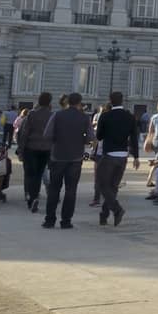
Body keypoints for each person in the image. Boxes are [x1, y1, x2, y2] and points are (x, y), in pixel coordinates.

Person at [43, 93, 94, 230]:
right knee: (71, 190)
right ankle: (66, 221)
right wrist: (81, 139)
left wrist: (57, 140)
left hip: (58, 156)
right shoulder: (84, 117)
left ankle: (49, 220)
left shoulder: (57, 115)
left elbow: (47, 134)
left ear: (68, 102)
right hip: (76, 158)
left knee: (54, 189)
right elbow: (90, 138)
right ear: (79, 103)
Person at [94, 91, 140, 226]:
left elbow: (99, 136)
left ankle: (116, 209)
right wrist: (136, 156)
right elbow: (134, 138)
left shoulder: (105, 116)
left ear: (110, 101)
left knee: (102, 185)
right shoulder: (130, 116)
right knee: (113, 186)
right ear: (122, 101)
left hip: (109, 154)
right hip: (123, 155)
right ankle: (104, 215)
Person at [18, 92, 54, 213]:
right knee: (38, 174)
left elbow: (24, 133)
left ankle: (31, 197)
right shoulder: (52, 115)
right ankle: (35, 196)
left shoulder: (32, 114)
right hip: (45, 149)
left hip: (31, 147)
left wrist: (21, 150)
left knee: (30, 173)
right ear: (50, 102)